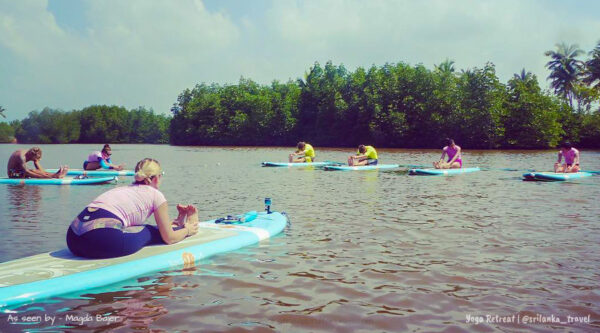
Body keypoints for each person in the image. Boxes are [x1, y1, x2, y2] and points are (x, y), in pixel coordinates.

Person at [66, 158, 199, 259]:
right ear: (157, 178)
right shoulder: (156, 195)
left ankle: (178, 223)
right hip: (100, 241)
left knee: (137, 228)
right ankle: (187, 227)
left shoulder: (124, 189)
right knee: (149, 231)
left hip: (73, 239)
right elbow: (169, 239)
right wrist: (187, 231)